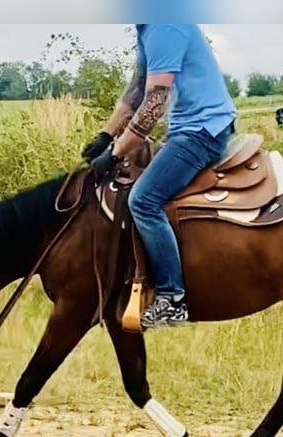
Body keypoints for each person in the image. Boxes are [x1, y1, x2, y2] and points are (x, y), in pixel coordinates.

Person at [83, 24, 237, 329]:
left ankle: (172, 298)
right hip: (185, 128)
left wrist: (115, 152)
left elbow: (155, 100)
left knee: (143, 200)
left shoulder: (164, 22)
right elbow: (137, 90)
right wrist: (105, 136)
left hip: (202, 131)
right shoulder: (148, 27)